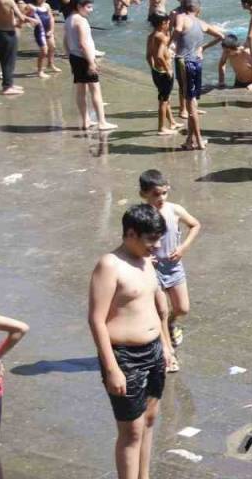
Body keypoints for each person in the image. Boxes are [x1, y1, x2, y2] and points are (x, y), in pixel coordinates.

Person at [88, 204, 174, 479]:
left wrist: (166, 345)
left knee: (148, 421)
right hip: (125, 357)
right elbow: (96, 320)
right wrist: (112, 367)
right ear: (131, 234)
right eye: (151, 239)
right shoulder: (110, 265)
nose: (156, 246)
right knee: (131, 431)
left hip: (153, 351)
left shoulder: (146, 261)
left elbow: (156, 307)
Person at [137, 169, 200, 372]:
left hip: (173, 266)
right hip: (153, 269)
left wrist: (183, 248)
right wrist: (145, 256)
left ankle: (172, 324)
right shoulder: (142, 215)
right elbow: (133, 240)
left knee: (182, 308)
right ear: (144, 194)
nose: (161, 198)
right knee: (161, 311)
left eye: (164, 193)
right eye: (156, 194)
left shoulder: (174, 210)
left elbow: (195, 225)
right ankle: (168, 354)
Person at [62, 0, 120, 131]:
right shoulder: (81, 21)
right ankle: (102, 122)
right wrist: (91, 62)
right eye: (88, 7)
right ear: (79, 6)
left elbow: (65, 40)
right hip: (84, 58)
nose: (91, 10)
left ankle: (85, 121)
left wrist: (68, 54)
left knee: (80, 90)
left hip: (74, 58)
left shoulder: (69, 19)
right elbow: (84, 43)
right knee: (95, 90)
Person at [172, 0, 225, 149]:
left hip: (184, 62)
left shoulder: (181, 17)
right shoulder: (202, 24)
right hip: (197, 62)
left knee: (191, 104)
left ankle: (199, 140)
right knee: (193, 100)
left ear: (183, 8)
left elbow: (177, 30)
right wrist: (203, 48)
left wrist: (168, 45)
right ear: (198, 11)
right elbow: (221, 37)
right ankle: (190, 139)